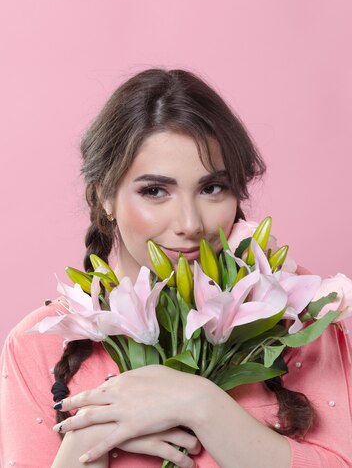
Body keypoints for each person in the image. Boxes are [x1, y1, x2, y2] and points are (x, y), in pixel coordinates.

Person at [1, 67, 351, 468]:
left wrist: (199, 404)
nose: (190, 223)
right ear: (104, 198)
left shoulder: (294, 312)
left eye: (211, 188)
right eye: (154, 191)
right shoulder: (37, 343)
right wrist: (88, 441)